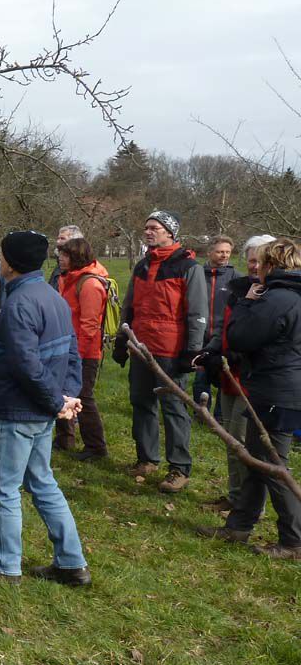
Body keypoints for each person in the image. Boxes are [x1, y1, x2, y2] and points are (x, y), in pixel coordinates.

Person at [0, 230, 90, 587]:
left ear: (8, 261)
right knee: (42, 482)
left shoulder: (20, 304)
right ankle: (71, 563)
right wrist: (67, 396)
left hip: (17, 411)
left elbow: (26, 365)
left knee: (4, 488)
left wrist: (59, 401)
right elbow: (71, 352)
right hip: (42, 409)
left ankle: (5, 568)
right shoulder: (52, 296)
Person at [198, 238, 301, 558]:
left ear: (272, 265)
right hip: (284, 387)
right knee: (257, 460)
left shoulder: (277, 299)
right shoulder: (294, 295)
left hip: (276, 390)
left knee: (272, 465)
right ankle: (239, 525)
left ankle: (293, 540)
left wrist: (246, 302)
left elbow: (240, 337)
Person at [112, 211, 206, 494]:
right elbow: (129, 304)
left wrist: (192, 351)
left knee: (174, 408)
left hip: (171, 350)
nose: (148, 232)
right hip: (141, 346)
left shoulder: (188, 267)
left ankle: (179, 468)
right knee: (141, 403)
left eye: (155, 228)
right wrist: (121, 340)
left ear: (170, 232)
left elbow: (198, 312)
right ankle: (146, 459)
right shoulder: (141, 266)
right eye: (146, 227)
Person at [194, 235, 273, 514]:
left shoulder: (273, 296)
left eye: (260, 261)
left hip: (252, 381)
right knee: (230, 439)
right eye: (251, 260)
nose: (254, 266)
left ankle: (250, 506)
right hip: (229, 375)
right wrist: (211, 351)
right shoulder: (239, 288)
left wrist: (236, 350)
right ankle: (235, 495)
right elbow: (224, 328)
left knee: (244, 444)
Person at [53, 238, 111, 460]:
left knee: (84, 397)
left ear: (76, 258)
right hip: (68, 347)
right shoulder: (69, 279)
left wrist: (78, 356)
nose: (60, 258)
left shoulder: (88, 284)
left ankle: (96, 447)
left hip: (84, 352)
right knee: (63, 392)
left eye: (65, 255)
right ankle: (64, 438)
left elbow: (89, 326)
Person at [195, 235, 240, 413]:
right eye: (220, 251)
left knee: (224, 376)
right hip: (200, 335)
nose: (224, 255)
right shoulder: (197, 274)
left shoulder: (236, 278)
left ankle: (221, 416)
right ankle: (201, 413)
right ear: (209, 252)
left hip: (224, 337)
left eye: (227, 252)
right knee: (200, 378)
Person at [47, 224, 84, 289]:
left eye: (62, 238)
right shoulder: (60, 263)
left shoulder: (79, 266)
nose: (58, 241)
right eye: (58, 238)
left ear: (75, 241)